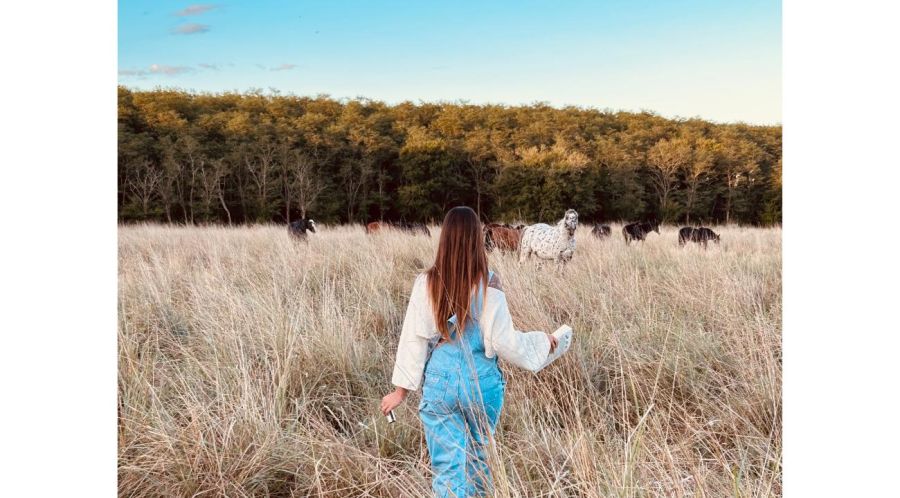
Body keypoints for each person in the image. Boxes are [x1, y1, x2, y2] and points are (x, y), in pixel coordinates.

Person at [380, 206, 565, 497]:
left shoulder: (426, 283)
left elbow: (414, 339)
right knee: (479, 461)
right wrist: (543, 342)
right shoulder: (489, 282)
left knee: (448, 470)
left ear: (444, 238)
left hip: (440, 383)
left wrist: (400, 392)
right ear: (477, 240)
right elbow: (505, 342)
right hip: (482, 384)